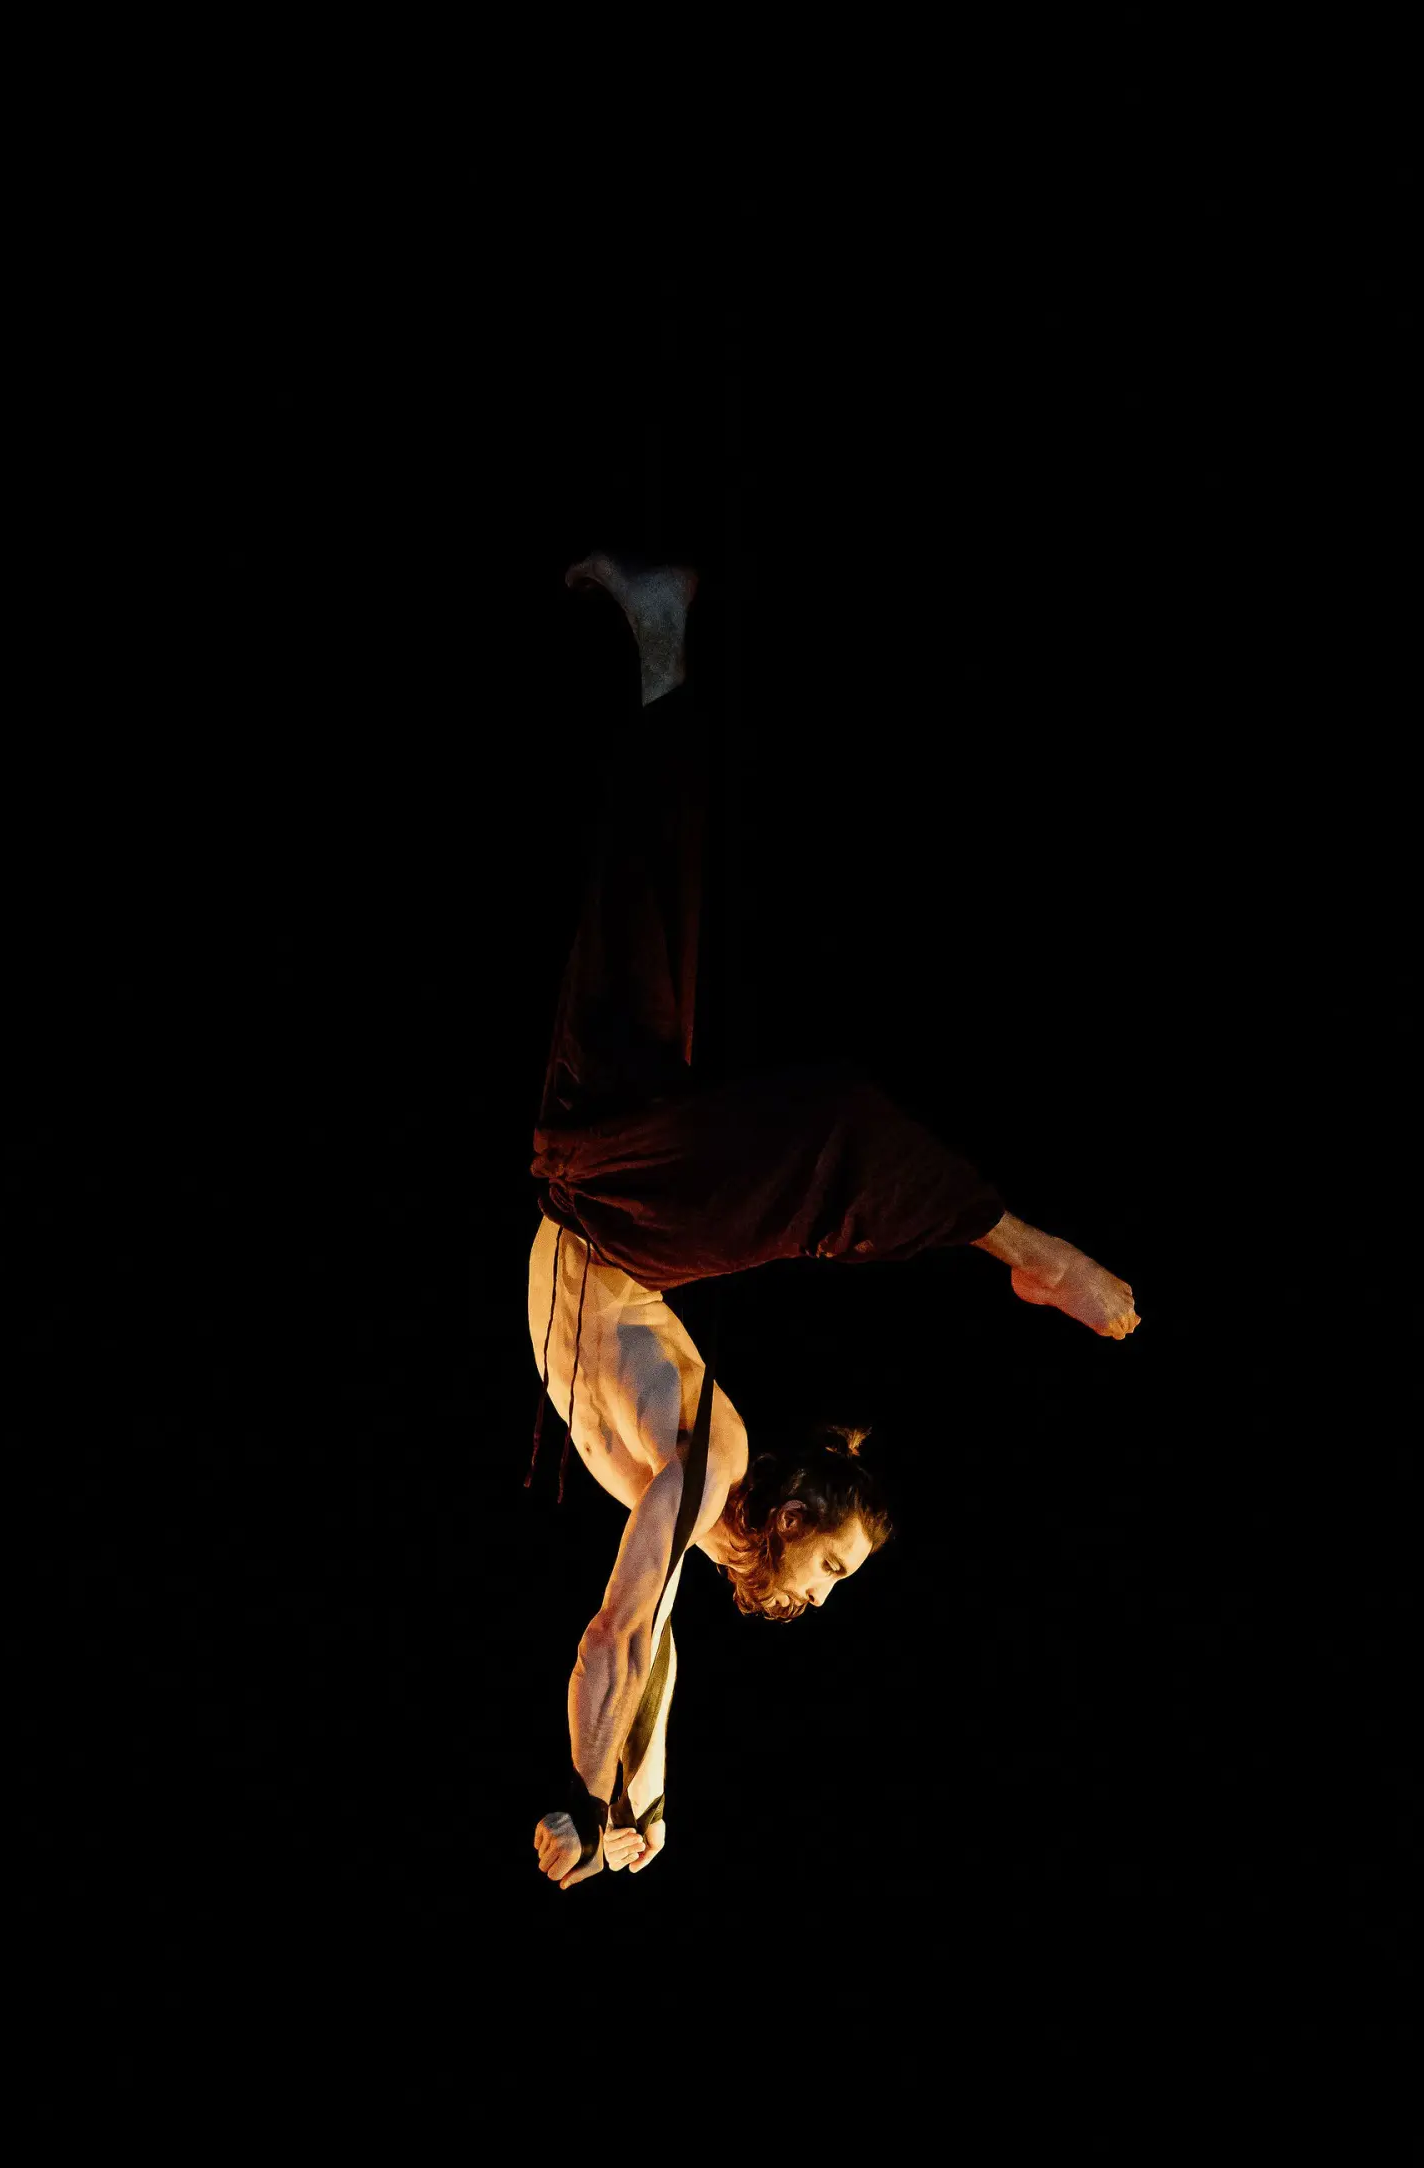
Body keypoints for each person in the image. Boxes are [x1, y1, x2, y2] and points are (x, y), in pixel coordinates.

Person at [529, 552, 1140, 1889]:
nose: (818, 1600)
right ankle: (1014, 1246)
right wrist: (599, 1796)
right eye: (835, 1570)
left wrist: (648, 1807)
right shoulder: (704, 1451)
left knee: (638, 923)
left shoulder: (691, 1503)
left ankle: (658, 640)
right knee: (827, 1149)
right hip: (619, 1217)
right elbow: (610, 1645)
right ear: (798, 1509)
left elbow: (654, 1657)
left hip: (600, 1167)